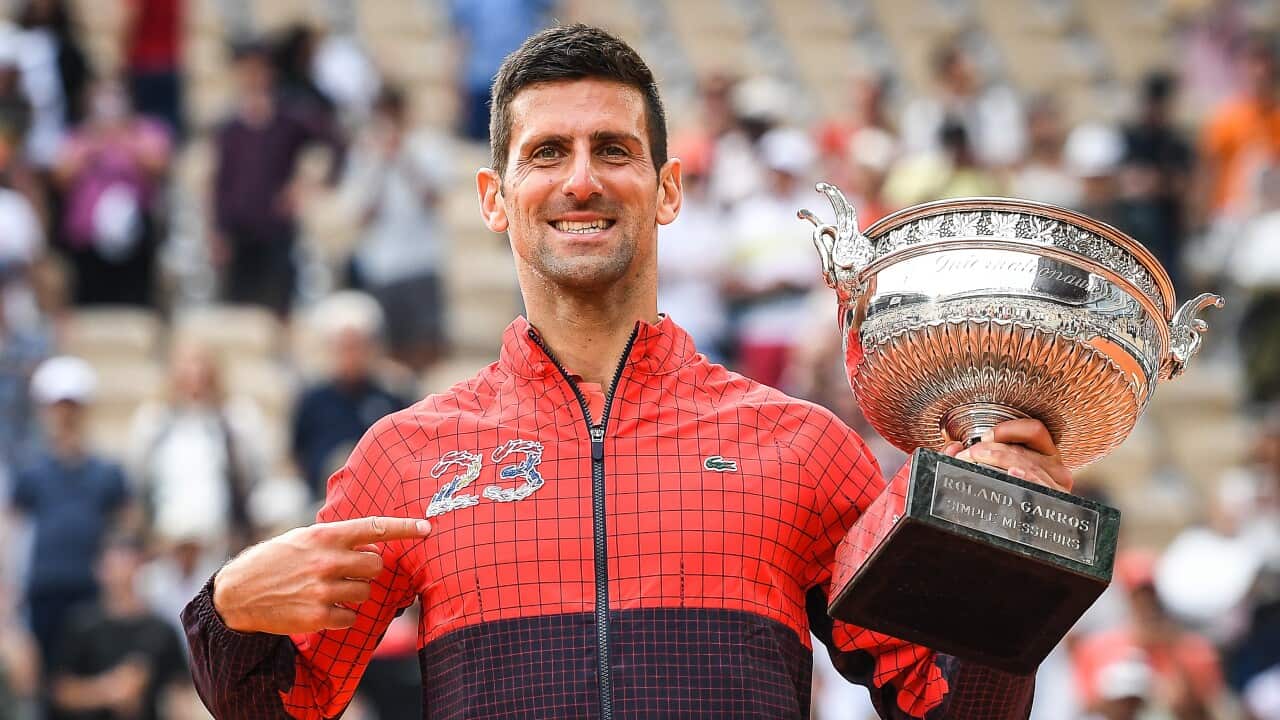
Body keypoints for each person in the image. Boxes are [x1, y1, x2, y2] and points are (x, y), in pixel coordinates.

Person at [183, 25, 1075, 719]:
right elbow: (281, 707)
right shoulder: (406, 458)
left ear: (669, 188)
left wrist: (1014, 543)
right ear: (494, 198)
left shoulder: (804, 448)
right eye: (546, 153)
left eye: (613, 150)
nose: (582, 180)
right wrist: (228, 610)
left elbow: (945, 703)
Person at [8, 356, 132, 673]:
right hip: (43, 592)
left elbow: (124, 531)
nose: (65, 415)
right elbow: (12, 533)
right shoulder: (31, 473)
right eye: (58, 407)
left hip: (92, 592)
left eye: (72, 406)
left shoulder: (108, 473)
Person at [210, 39, 344, 317]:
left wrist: (309, 184)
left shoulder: (290, 118)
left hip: (276, 228)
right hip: (239, 233)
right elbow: (221, 182)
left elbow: (335, 143)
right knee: (239, 311)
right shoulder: (230, 128)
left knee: (278, 305)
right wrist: (218, 230)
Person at [342, 86, 452, 372]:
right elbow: (361, 214)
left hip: (422, 259)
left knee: (428, 343)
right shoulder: (364, 153)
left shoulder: (428, 146)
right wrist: (380, 165)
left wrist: (403, 158)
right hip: (382, 264)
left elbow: (436, 199)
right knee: (389, 346)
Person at [53, 77, 172, 307]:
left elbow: (159, 165)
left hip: (137, 236)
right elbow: (61, 176)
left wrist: (124, 138)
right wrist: (93, 144)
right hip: (87, 238)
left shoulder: (145, 131)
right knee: (92, 302)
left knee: (133, 302)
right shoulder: (79, 136)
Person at [50, 534, 193, 720]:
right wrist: (109, 690)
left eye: (128, 562)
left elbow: (180, 692)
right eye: (114, 564)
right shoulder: (81, 623)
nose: (122, 572)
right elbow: (59, 691)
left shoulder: (162, 630)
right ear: (99, 569)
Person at [290, 292, 410, 502]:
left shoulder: (392, 397)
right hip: (320, 499)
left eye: (357, 346)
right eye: (344, 347)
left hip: (382, 497)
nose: (351, 355)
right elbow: (296, 454)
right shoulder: (312, 400)